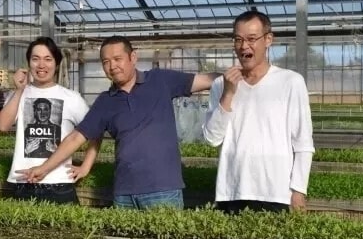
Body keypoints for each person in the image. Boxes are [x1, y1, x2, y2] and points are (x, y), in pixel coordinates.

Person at [17, 36, 219, 210]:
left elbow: (210, 81)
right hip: (123, 194)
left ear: (133, 57)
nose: (112, 66)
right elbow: (76, 137)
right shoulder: (105, 101)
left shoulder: (160, 80)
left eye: (117, 59)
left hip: (163, 190)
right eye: (106, 62)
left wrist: (234, 78)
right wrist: (44, 168)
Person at [202, 11, 314, 214]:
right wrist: (228, 94)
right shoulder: (221, 84)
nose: (244, 46)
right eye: (238, 39)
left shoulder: (290, 82)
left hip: (276, 193)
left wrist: (298, 191)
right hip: (232, 191)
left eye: (251, 39)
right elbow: (212, 138)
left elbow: (303, 142)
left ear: (268, 39)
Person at [0, 37, 100, 204]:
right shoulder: (18, 94)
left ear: (56, 64)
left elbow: (95, 131)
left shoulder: (72, 98)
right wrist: (19, 90)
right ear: (28, 63)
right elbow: (3, 126)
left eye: (48, 59)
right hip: (23, 181)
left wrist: (85, 166)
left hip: (60, 184)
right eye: (35, 59)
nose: (41, 65)